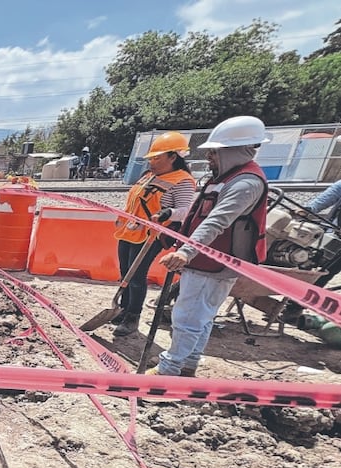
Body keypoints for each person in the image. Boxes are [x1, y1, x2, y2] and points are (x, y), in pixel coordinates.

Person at [148, 116, 271, 377]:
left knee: (187, 316)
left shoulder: (245, 183)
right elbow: (198, 212)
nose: (210, 158)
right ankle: (188, 364)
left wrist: (185, 252)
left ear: (236, 150)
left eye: (215, 152)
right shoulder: (227, 178)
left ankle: (168, 371)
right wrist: (173, 219)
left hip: (212, 264)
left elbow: (216, 221)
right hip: (207, 262)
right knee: (202, 316)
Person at [111, 132, 198, 336]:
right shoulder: (149, 176)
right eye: (151, 158)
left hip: (151, 236)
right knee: (125, 272)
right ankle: (122, 309)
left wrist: (168, 213)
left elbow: (185, 210)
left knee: (137, 276)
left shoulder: (183, 181)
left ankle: (133, 317)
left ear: (173, 157)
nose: (152, 162)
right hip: (130, 230)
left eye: (157, 158)